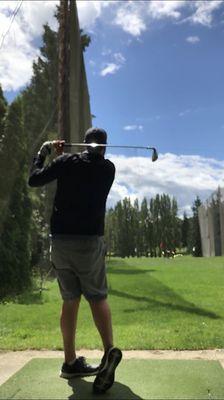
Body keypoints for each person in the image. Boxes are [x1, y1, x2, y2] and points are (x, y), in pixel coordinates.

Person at [28, 127, 122, 394]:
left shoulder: (66, 162)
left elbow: (34, 179)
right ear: (104, 147)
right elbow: (90, 162)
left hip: (60, 242)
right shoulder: (108, 170)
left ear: (83, 143)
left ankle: (70, 361)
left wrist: (45, 152)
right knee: (97, 297)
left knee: (70, 300)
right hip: (89, 243)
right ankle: (108, 352)